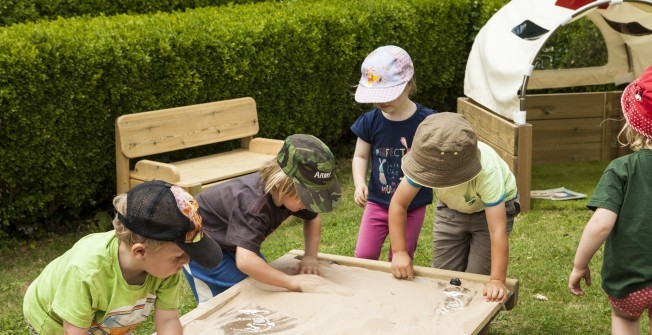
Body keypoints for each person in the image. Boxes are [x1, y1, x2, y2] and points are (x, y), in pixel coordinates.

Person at [23, 181, 223, 335]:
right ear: (140, 252)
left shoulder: (167, 269)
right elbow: (73, 331)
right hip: (53, 321)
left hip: (100, 320)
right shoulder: (87, 271)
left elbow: (168, 320)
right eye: (179, 255)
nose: (186, 261)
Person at [183, 134, 341, 303]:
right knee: (227, 297)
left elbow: (313, 219)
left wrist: (310, 256)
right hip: (198, 241)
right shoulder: (253, 205)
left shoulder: (288, 197)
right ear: (282, 184)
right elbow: (246, 262)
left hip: (231, 240)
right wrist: (291, 282)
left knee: (261, 282)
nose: (311, 203)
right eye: (307, 197)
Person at [388, 112, 520, 303]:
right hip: (451, 208)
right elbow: (399, 204)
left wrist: (497, 280)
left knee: (478, 281)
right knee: (443, 276)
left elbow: (497, 230)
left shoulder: (488, 171)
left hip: (489, 213)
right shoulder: (427, 157)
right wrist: (399, 251)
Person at [568, 66, 652, 334]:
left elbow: (601, 224)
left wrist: (579, 265)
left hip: (630, 281)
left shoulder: (622, 168)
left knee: (625, 320)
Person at [350, 45, 435, 261]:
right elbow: (360, 156)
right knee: (364, 255)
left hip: (412, 206)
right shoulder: (370, 121)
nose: (380, 100)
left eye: (386, 93)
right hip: (377, 202)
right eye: (375, 94)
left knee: (400, 257)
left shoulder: (427, 121)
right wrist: (359, 182)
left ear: (407, 85)